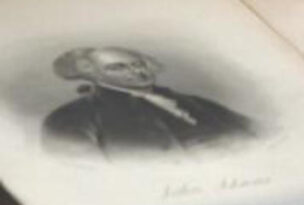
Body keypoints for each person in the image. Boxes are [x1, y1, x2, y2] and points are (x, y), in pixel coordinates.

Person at [42, 47, 256, 159]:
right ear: (93, 74)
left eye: (138, 64)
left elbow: (254, 131)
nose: (137, 72)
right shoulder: (70, 118)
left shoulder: (192, 101)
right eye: (118, 67)